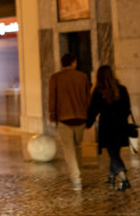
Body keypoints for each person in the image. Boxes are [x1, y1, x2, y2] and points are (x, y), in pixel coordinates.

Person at [48, 53, 91, 190]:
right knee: (78, 147)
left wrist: (52, 117)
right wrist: (88, 116)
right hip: (81, 117)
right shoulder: (83, 77)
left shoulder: (55, 78)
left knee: (69, 149)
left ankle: (76, 180)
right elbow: (87, 98)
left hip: (64, 118)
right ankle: (79, 176)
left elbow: (52, 98)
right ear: (74, 62)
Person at [87, 65, 132, 191]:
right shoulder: (122, 89)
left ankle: (124, 178)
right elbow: (127, 109)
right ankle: (111, 177)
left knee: (112, 153)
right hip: (121, 126)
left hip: (107, 127)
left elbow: (93, 110)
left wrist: (88, 123)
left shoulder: (99, 91)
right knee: (115, 151)